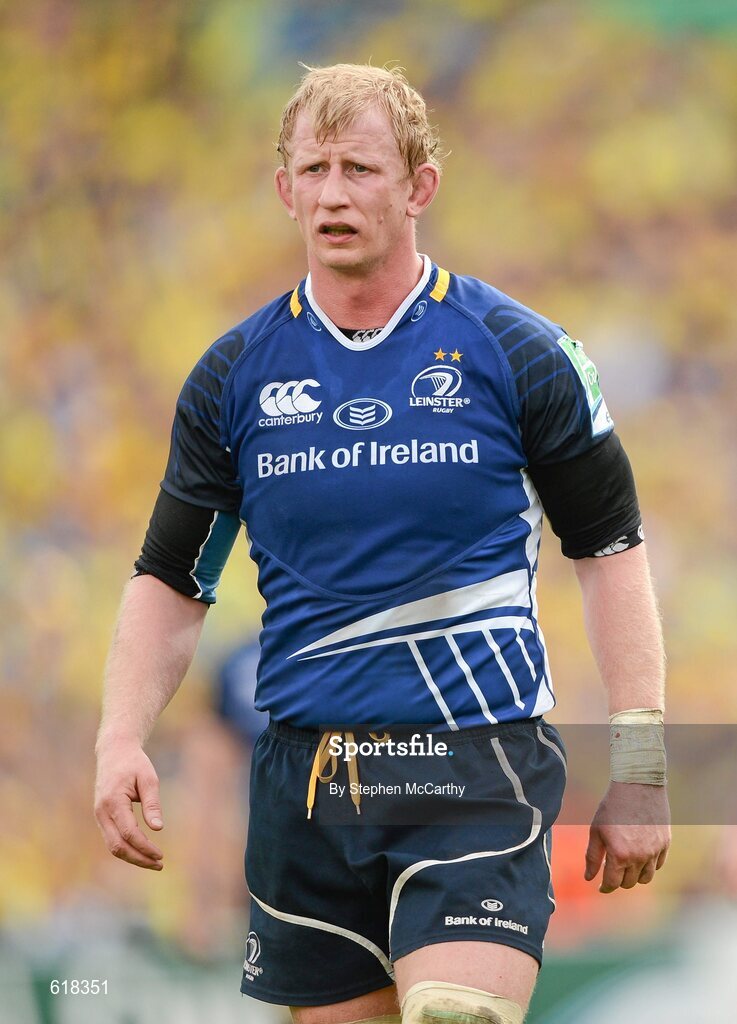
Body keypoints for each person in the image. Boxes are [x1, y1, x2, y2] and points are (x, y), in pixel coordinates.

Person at [94, 63, 670, 1024]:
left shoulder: (519, 352)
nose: (331, 193)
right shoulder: (232, 376)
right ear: (283, 189)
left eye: (359, 167)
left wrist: (644, 769)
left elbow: (611, 550)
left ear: (419, 186)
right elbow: (170, 578)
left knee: (455, 1010)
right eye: (311, 169)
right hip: (305, 788)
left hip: (470, 764)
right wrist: (119, 736)